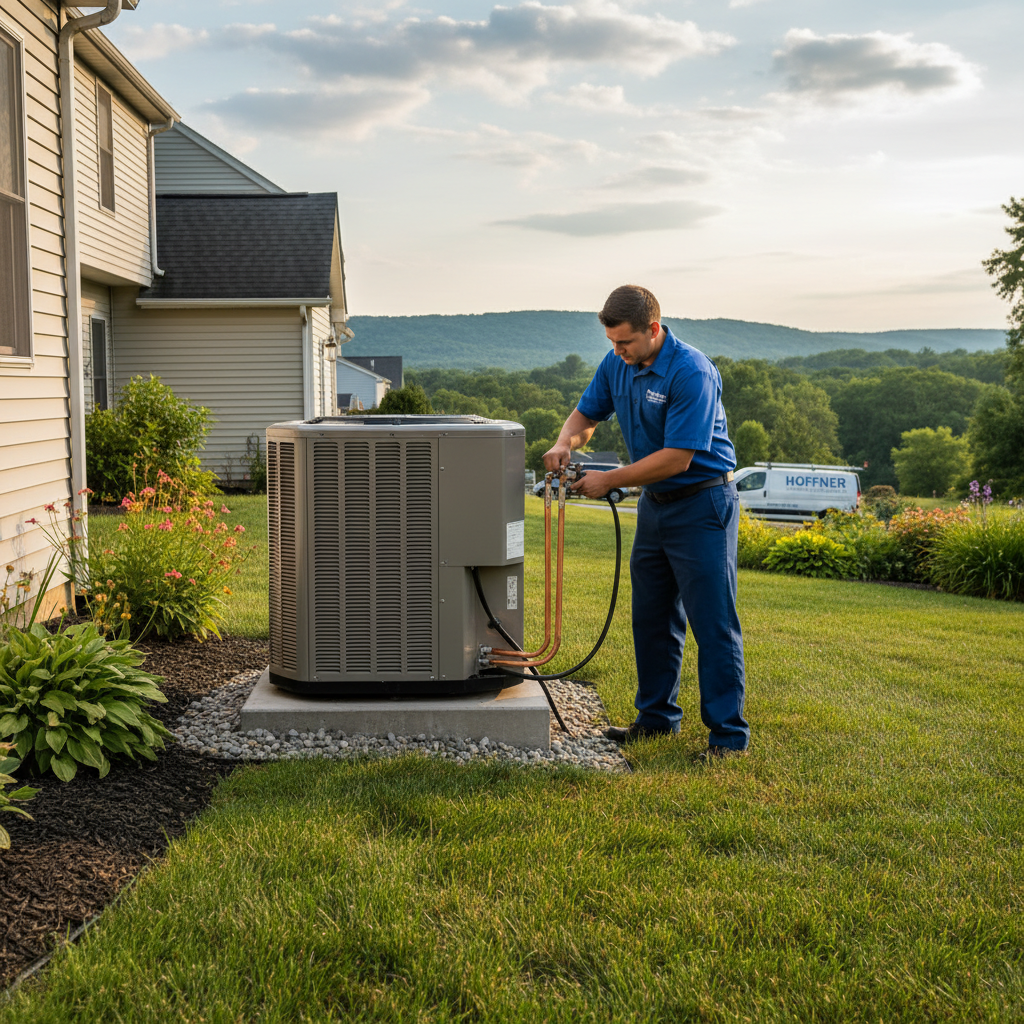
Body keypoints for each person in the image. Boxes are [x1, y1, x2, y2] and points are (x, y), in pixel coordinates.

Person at [543, 285, 749, 757]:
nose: (617, 352)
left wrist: (608, 479)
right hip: (656, 507)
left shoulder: (690, 371)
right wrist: (564, 443)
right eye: (612, 344)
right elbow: (586, 416)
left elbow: (678, 458)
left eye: (625, 343)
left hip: (703, 504)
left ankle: (728, 739)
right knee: (652, 618)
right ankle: (656, 719)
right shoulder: (618, 364)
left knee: (712, 622)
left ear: (653, 330)